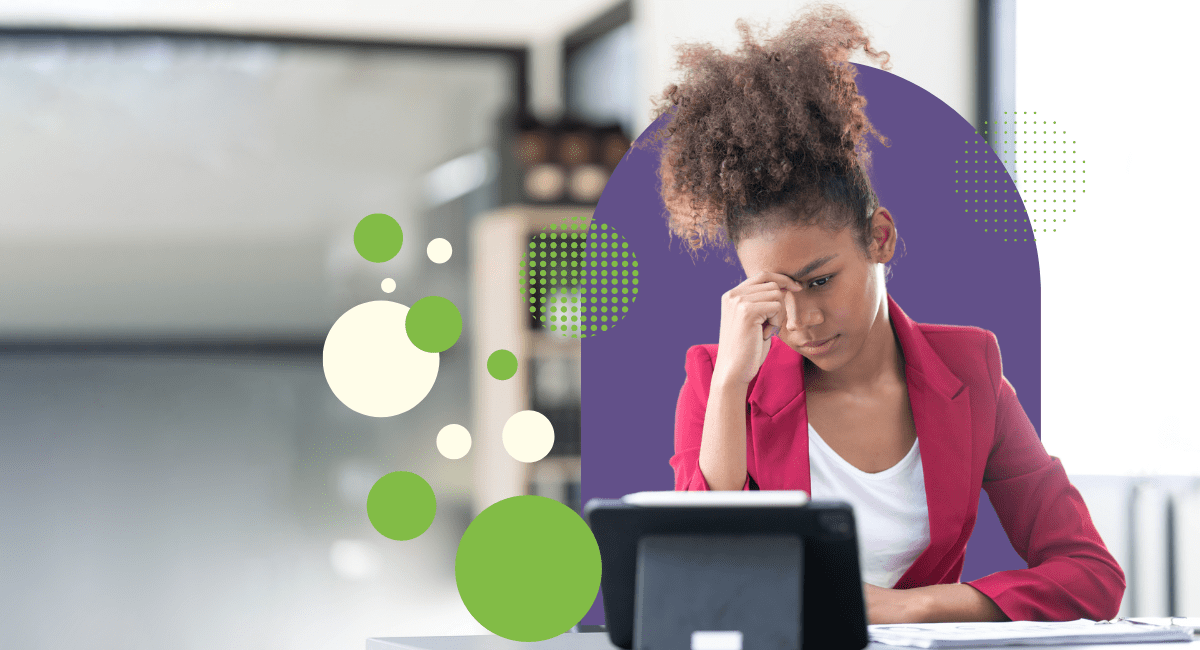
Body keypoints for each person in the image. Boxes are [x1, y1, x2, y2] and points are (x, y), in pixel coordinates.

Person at [654, 5, 1124, 625]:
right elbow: (698, 574)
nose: (802, 322)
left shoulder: (971, 373)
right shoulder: (717, 381)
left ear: (879, 238)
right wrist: (730, 385)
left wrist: (914, 607)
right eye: (772, 292)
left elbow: (1090, 575)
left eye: (819, 280)